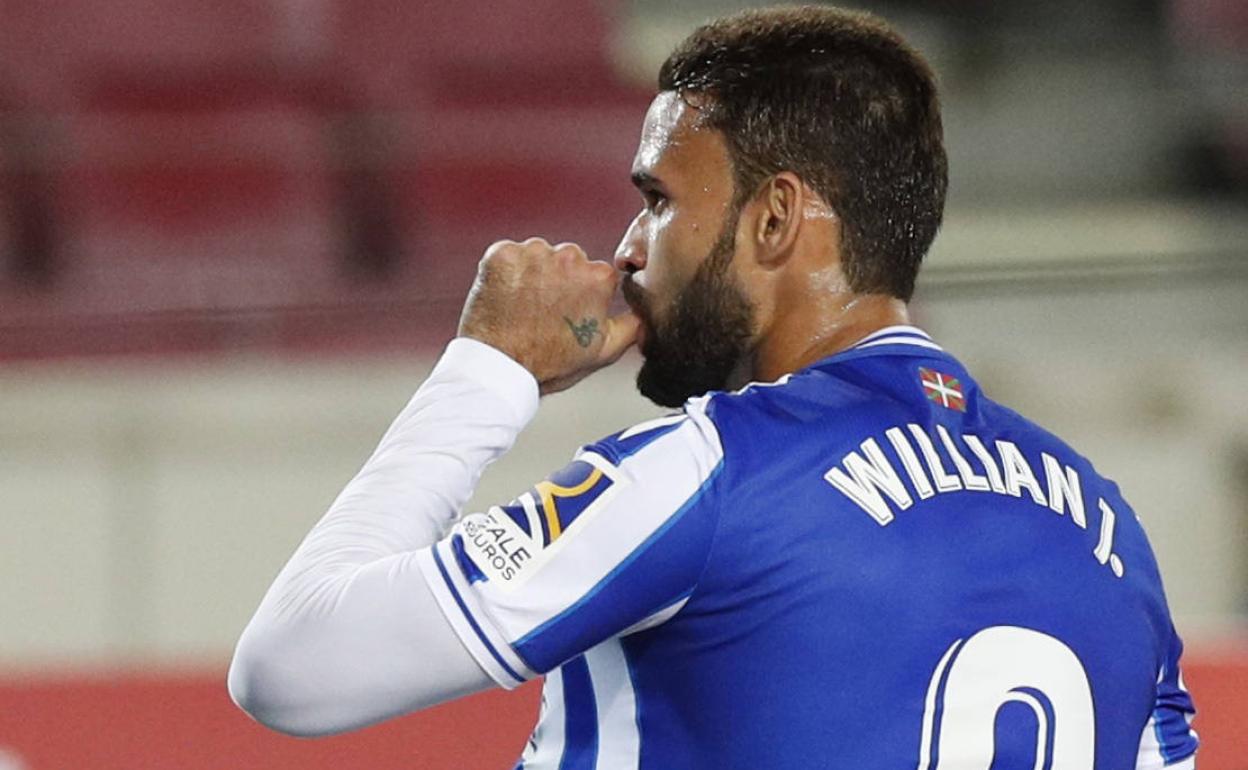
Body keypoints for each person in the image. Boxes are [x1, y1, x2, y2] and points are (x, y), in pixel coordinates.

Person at [228, 6, 1200, 768]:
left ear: (774, 218)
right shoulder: (1109, 536)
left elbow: (292, 666)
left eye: (658, 199)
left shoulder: (708, 475)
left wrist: (488, 369)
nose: (627, 246)